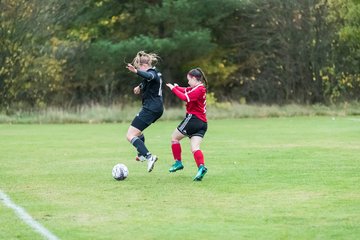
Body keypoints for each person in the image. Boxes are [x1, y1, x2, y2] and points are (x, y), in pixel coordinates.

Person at [165, 68, 208, 181]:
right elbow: (185, 90)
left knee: (174, 138)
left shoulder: (199, 90)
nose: (188, 82)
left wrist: (174, 89)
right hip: (203, 123)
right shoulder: (198, 88)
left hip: (193, 119)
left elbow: (185, 97)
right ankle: (201, 168)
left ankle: (178, 162)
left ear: (194, 78)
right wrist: (175, 87)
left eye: (189, 79)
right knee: (195, 148)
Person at [125, 51, 163, 172]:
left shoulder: (152, 73)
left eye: (139, 67)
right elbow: (147, 81)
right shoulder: (155, 72)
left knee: (130, 135)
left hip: (150, 109)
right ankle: (141, 155)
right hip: (155, 108)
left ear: (144, 66)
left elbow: (149, 77)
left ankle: (149, 156)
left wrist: (136, 72)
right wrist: (139, 87)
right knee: (138, 133)